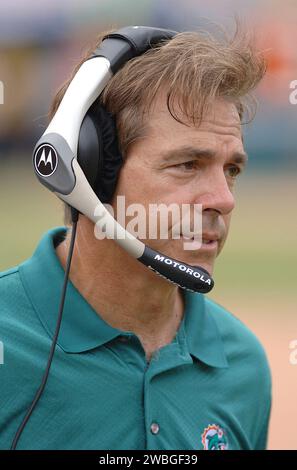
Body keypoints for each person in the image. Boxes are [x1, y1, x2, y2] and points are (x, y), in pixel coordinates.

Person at [0, 24, 272, 450]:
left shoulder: (243, 366)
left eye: (231, 170)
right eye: (187, 164)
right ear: (90, 174)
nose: (224, 199)